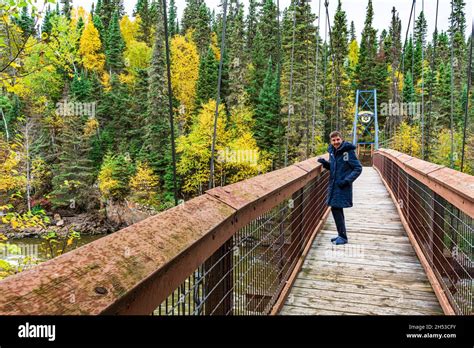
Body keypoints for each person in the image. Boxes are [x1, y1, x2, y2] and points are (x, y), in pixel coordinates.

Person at [317, 131, 362, 245]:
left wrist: (347, 181)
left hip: (342, 185)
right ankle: (341, 235)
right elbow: (334, 167)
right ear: (331, 141)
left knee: (336, 208)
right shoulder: (332, 151)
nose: (336, 142)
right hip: (334, 185)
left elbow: (358, 168)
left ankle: (343, 237)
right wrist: (325, 163)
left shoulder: (348, 151)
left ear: (341, 139)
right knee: (336, 208)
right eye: (333, 140)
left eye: (338, 139)